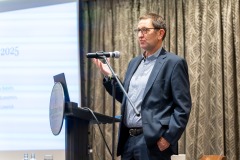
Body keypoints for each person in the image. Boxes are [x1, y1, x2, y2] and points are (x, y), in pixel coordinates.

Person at [92, 13, 192, 160]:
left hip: (153, 143)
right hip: (128, 140)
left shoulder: (173, 63)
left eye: (145, 30)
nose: (140, 35)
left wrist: (168, 138)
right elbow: (127, 99)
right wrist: (109, 76)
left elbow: (183, 107)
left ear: (160, 33)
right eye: (138, 30)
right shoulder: (134, 63)